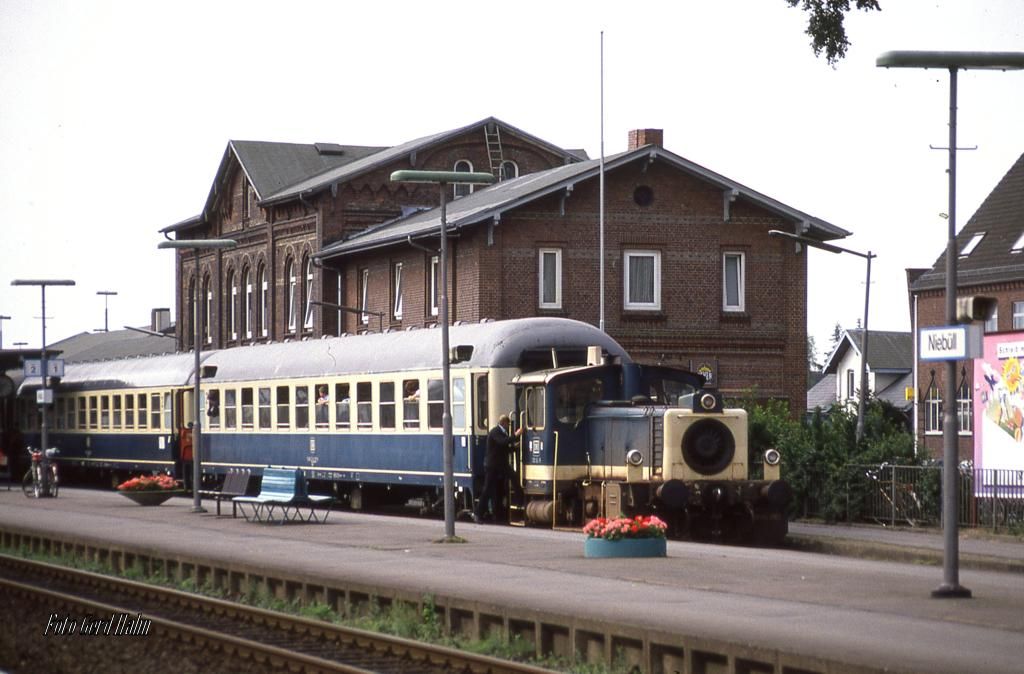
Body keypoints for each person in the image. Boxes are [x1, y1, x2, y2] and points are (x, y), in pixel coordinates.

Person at [473, 414, 522, 523]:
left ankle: (519, 501)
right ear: (503, 423)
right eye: (508, 424)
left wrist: (514, 448)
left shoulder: (501, 433)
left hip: (500, 464)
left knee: (512, 477)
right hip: (493, 465)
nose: (508, 426)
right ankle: (477, 513)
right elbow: (502, 442)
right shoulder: (495, 432)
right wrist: (516, 435)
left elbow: (503, 448)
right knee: (487, 489)